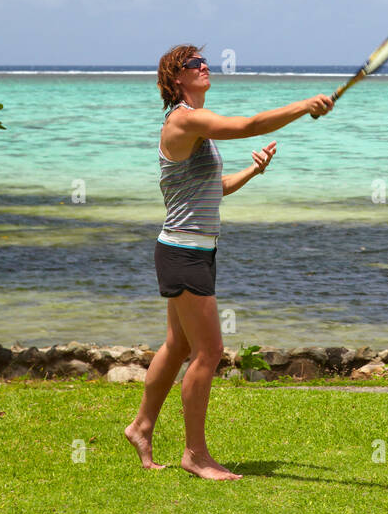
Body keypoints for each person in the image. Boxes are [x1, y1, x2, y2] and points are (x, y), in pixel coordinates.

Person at [125, 44, 333, 480]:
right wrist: (305, 104)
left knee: (179, 346)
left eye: (204, 62)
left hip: (191, 248)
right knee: (210, 351)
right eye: (193, 64)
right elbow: (250, 124)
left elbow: (212, 186)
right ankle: (195, 455)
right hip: (184, 252)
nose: (204, 66)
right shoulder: (185, 118)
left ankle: (141, 427)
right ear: (176, 78)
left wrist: (252, 172)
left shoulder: (195, 125)